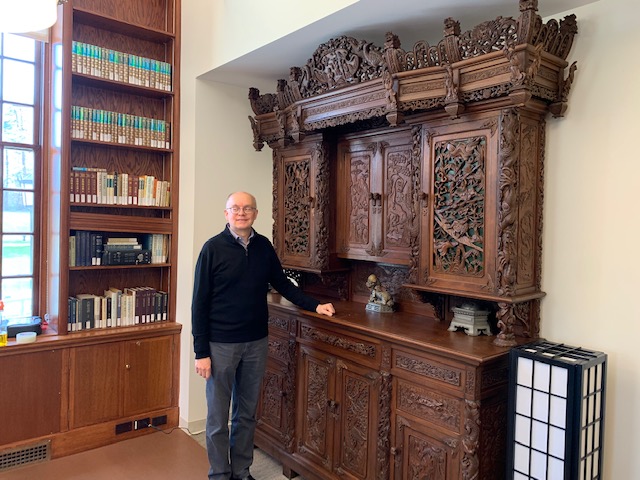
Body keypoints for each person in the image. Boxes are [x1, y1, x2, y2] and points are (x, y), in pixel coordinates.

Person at [192, 191, 335, 480]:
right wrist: (201, 352)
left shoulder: (264, 247)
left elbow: (283, 284)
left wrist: (315, 305)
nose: (241, 213)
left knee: (246, 415)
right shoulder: (212, 249)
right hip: (220, 345)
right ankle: (220, 474)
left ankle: (242, 472)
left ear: (255, 214)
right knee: (218, 418)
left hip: (256, 343)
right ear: (226, 214)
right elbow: (199, 303)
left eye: (247, 208)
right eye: (235, 208)